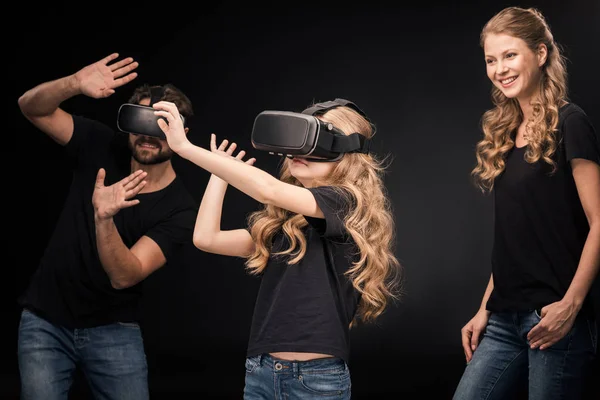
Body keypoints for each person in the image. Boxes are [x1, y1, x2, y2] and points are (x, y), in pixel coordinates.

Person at [150, 98, 402, 399]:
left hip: (316, 378)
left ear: (345, 155)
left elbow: (267, 188)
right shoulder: (285, 226)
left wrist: (186, 148)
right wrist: (220, 174)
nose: (301, 153)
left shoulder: (345, 203)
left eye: (317, 144)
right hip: (261, 370)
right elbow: (206, 238)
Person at [17, 53, 198, 399]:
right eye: (141, 121)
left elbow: (124, 275)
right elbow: (30, 107)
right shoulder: (99, 143)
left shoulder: (180, 209)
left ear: (181, 134)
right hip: (46, 321)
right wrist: (72, 84)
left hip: (114, 329)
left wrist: (104, 219)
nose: (148, 136)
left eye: (161, 125)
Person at [453, 6, 600, 400]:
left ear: (540, 53)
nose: (500, 68)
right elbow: (517, 241)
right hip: (503, 318)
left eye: (510, 55)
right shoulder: (506, 132)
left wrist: (571, 305)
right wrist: (486, 308)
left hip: (554, 319)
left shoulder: (571, 123)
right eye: (491, 59)